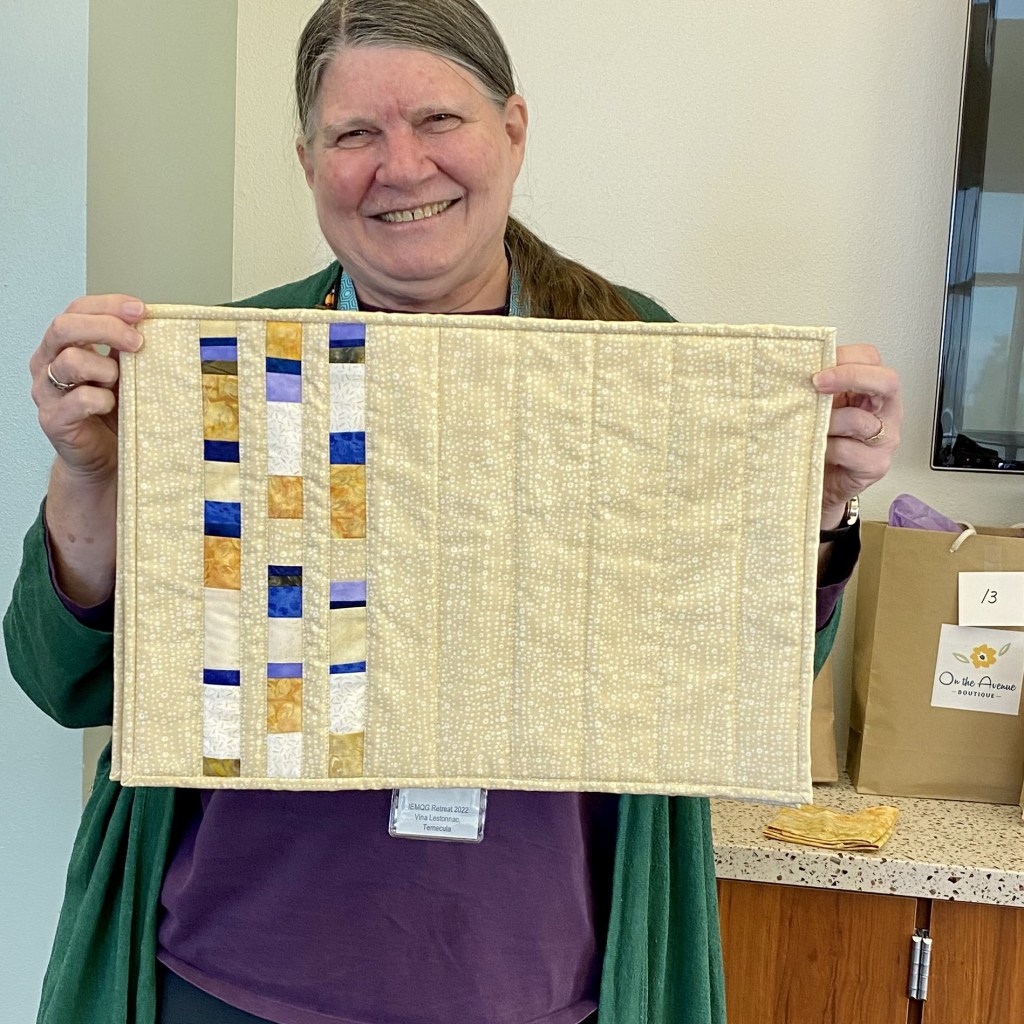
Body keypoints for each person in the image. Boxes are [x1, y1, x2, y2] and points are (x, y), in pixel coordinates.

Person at [4, 1, 903, 1022]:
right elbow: (61, 679)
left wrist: (812, 510)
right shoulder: (229, 370)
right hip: (226, 980)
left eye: (437, 120)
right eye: (355, 133)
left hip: (534, 981)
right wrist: (88, 473)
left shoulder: (636, 358)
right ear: (308, 163)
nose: (401, 165)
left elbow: (735, 681)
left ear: (511, 130)